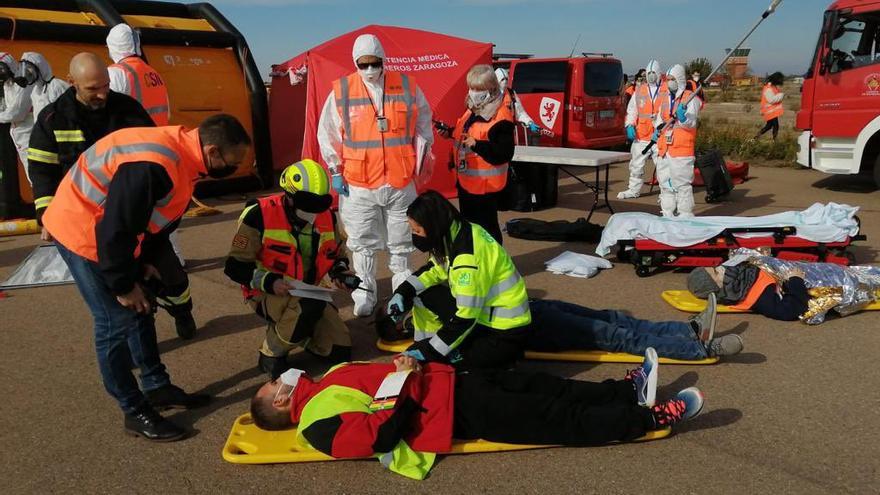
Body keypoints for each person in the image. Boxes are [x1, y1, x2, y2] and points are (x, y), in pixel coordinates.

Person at [42, 114, 251, 442]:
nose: (235, 168)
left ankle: (157, 388)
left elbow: (149, 216)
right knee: (115, 321)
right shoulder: (156, 163)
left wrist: (146, 261)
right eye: (232, 162)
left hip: (108, 233)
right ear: (212, 151)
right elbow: (116, 228)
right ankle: (134, 410)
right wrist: (123, 284)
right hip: (83, 233)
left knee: (142, 309)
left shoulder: (181, 154)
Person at [248, 353, 704, 480]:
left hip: (454, 381)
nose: (281, 379)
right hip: (453, 413)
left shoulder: (325, 380)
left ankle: (624, 393)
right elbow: (383, 436)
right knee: (554, 417)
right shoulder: (316, 422)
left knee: (547, 386)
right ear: (282, 403)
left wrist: (410, 365)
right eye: (275, 387)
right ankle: (650, 419)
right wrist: (407, 379)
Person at [26, 54, 196, 339]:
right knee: (125, 286)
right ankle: (140, 343)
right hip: (92, 223)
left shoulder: (128, 110)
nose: (103, 93)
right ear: (72, 82)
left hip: (137, 212)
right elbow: (43, 174)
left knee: (169, 271)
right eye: (93, 88)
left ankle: (182, 310)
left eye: (105, 85)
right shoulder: (53, 120)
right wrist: (46, 216)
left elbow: (156, 152)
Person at [317, 34, 434, 317]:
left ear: (384, 59)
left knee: (402, 241)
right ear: (355, 62)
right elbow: (327, 134)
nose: (370, 69)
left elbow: (423, 122)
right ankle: (364, 295)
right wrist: (334, 169)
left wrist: (423, 154)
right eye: (364, 64)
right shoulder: (342, 92)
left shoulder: (407, 86)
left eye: (375, 63)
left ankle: (401, 293)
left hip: (400, 178)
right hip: (359, 183)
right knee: (362, 242)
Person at [224, 160, 355, 378]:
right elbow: (234, 267)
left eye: (318, 204)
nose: (313, 212)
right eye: (307, 204)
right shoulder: (258, 215)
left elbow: (336, 254)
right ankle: (271, 353)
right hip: (265, 292)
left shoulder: (326, 215)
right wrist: (270, 282)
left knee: (339, 351)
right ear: (290, 197)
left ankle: (299, 329)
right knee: (308, 307)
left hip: (309, 292)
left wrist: (341, 273)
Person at [386, 191, 531, 370]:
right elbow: (435, 269)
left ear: (433, 226)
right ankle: (431, 345)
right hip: (486, 314)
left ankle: (496, 360)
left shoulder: (467, 260)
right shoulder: (458, 231)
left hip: (500, 332)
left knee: (451, 365)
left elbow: (465, 318)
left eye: (417, 231)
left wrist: (430, 352)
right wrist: (403, 291)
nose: (415, 235)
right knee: (422, 292)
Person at [527, 296, 743, 360]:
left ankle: (690, 330)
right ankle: (701, 349)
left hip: (529, 307)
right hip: (521, 326)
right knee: (616, 336)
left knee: (612, 318)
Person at [448, 64, 516, 244]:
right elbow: (466, 134)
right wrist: (449, 132)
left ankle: (495, 267)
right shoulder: (474, 108)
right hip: (467, 181)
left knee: (487, 231)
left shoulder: (500, 116)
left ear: (491, 88)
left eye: (478, 89)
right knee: (470, 230)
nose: (473, 92)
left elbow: (504, 154)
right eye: (471, 87)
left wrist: (477, 145)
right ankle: (477, 265)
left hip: (486, 186)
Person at [655, 64, 701, 218]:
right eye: (667, 79)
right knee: (665, 182)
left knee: (681, 183)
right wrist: (657, 129)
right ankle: (667, 211)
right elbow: (660, 118)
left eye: (672, 79)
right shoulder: (665, 97)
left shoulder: (690, 98)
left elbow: (691, 123)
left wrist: (683, 118)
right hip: (664, 147)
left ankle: (685, 213)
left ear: (679, 79)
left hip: (681, 148)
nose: (669, 82)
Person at [688, 263, 808, 321]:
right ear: (719, 286)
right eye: (716, 272)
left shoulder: (741, 275)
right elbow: (788, 311)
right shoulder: (756, 297)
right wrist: (796, 280)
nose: (721, 267)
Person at [106, 23, 170, 126]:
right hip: (159, 137)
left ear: (111, 47)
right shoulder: (153, 73)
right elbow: (167, 113)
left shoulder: (115, 73)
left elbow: (106, 115)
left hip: (135, 138)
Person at [618, 60, 665, 200]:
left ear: (658, 73)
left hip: (660, 136)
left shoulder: (666, 90)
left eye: (653, 73)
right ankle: (633, 190)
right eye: (648, 73)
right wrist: (629, 125)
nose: (651, 76)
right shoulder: (639, 91)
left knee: (663, 166)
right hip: (642, 135)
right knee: (636, 164)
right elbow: (632, 110)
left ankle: (666, 193)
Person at [17, 52, 70, 170]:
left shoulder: (57, 86)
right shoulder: (36, 91)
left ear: (39, 68)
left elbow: (70, 112)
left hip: (61, 143)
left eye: (29, 69)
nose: (26, 73)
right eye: (24, 69)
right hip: (44, 141)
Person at [0, 52, 34, 176]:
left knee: (35, 171)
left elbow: (16, 113)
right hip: (19, 136)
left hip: (30, 132)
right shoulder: (7, 84)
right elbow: (6, 106)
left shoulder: (23, 82)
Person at [494, 67, 540, 135]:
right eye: (502, 79)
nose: (505, 81)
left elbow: (520, 112)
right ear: (497, 80)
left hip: (508, 132)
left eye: (506, 79)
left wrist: (530, 123)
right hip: (494, 132)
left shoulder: (511, 93)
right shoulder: (490, 94)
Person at [755, 72, 785, 141]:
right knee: (775, 126)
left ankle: (755, 138)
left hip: (772, 111)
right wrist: (781, 95)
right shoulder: (769, 89)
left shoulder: (772, 87)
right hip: (770, 111)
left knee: (769, 126)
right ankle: (775, 141)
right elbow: (771, 100)